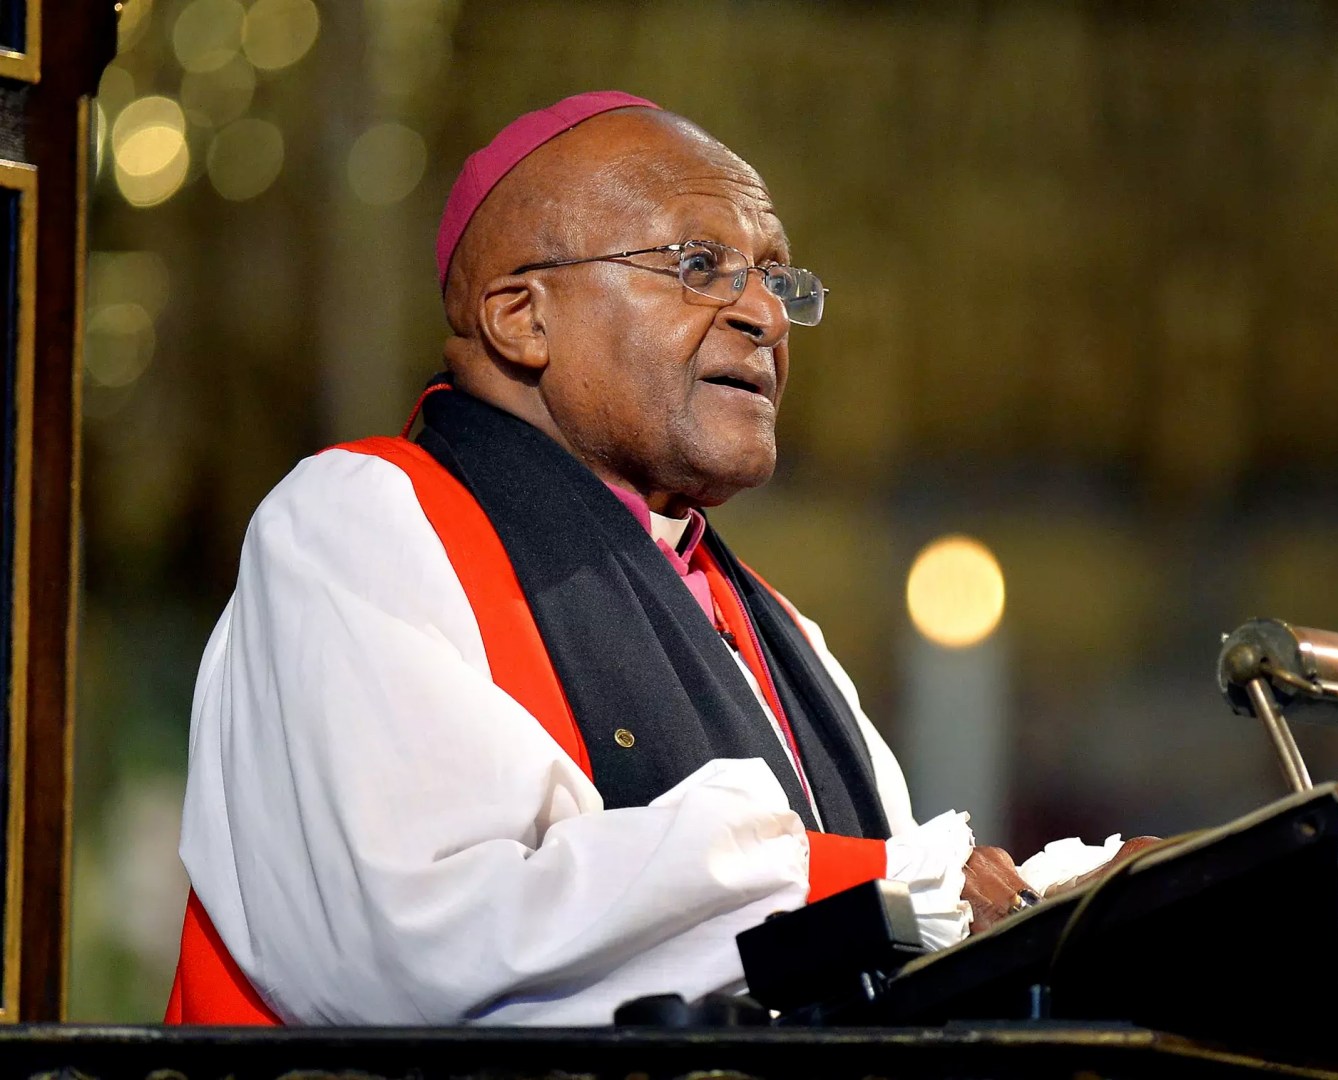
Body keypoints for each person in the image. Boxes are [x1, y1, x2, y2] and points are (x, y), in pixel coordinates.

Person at [164, 91, 1143, 1026]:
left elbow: (904, 934)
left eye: (777, 277)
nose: (764, 314)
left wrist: (1084, 908)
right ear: (522, 316)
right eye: (699, 265)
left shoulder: (776, 628)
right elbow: (417, 939)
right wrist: (882, 887)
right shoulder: (361, 525)